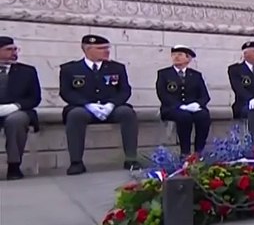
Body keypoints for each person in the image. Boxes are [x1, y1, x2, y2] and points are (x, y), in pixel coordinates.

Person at [59, 34, 139, 175]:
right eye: (101, 48)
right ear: (87, 49)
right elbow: (66, 92)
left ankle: (131, 158)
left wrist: (111, 104)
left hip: (110, 108)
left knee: (127, 113)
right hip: (84, 108)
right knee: (75, 115)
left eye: (107, 48)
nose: (106, 51)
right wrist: (87, 105)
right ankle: (76, 162)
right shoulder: (70, 69)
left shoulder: (116, 68)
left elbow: (125, 91)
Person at [156, 44, 212, 156]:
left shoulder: (196, 75)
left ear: (188, 58)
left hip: (192, 108)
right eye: (174, 55)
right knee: (184, 117)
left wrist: (197, 105)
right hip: (172, 108)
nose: (176, 57)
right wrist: (180, 106)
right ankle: (185, 152)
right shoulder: (164, 74)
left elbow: (205, 96)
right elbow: (163, 94)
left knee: (203, 115)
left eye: (180, 55)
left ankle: (198, 151)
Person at [0, 35, 41, 180]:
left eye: (15, 49)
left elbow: (35, 98)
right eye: (8, 49)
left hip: (18, 111)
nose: (14, 52)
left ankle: (14, 165)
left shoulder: (27, 71)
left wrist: (15, 106)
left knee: (16, 121)